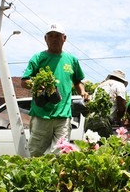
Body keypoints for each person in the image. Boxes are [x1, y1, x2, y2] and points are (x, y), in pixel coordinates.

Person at [21, 23, 89, 156]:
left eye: (57, 36)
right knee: (35, 154)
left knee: (61, 153)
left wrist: (83, 92)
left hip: (63, 116)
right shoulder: (38, 58)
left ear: (64, 38)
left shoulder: (71, 60)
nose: (54, 39)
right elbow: (24, 82)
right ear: (45, 39)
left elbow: (77, 81)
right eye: (50, 36)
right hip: (42, 114)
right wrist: (36, 84)